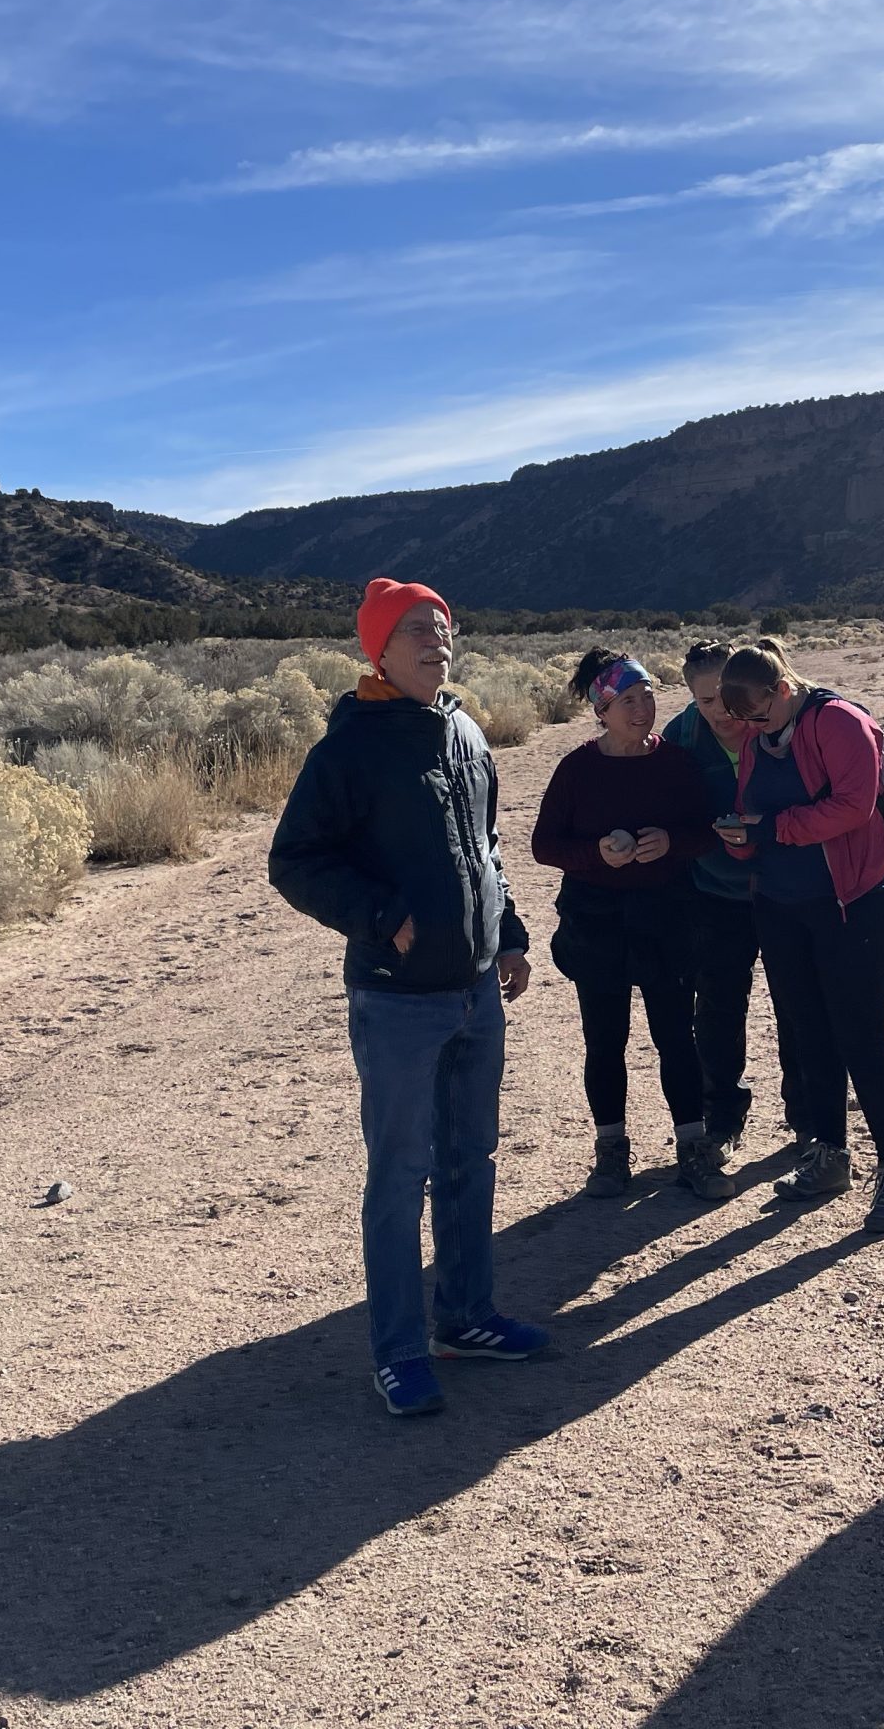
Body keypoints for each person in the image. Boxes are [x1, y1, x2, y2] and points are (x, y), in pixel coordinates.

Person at [268, 577, 548, 1417]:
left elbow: (484, 847)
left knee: (472, 1159)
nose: (438, 641)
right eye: (418, 629)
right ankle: (397, 1352)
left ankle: (465, 1316)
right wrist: (381, 917)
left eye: (444, 627)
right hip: (396, 1001)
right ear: (379, 649)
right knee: (400, 1175)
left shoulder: (464, 729)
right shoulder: (349, 748)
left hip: (474, 991)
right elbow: (295, 861)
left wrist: (508, 931)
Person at [713, 638, 884, 1234]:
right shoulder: (759, 734)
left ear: (781, 688)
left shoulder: (839, 721)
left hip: (854, 904)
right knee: (809, 1035)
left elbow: (853, 807)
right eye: (744, 721)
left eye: (759, 715)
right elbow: (755, 810)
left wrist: (772, 829)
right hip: (781, 906)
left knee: (861, 1040)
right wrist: (742, 837)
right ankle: (829, 1156)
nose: (751, 730)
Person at [531, 650, 732, 1203]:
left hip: (667, 919)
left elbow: (705, 832)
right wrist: (595, 853)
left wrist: (671, 842)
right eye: (628, 700)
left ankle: (692, 1149)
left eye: (647, 696)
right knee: (605, 1041)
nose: (642, 709)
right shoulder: (577, 769)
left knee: (676, 1037)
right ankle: (611, 1151)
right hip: (596, 922)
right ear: (602, 709)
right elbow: (545, 845)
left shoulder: (675, 763)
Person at [662, 639, 798, 1161]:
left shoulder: (777, 726)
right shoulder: (681, 738)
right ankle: (722, 1117)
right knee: (718, 1008)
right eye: (705, 701)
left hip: (784, 888)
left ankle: (808, 1117)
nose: (721, 711)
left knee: (797, 1004)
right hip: (715, 893)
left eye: (726, 696)